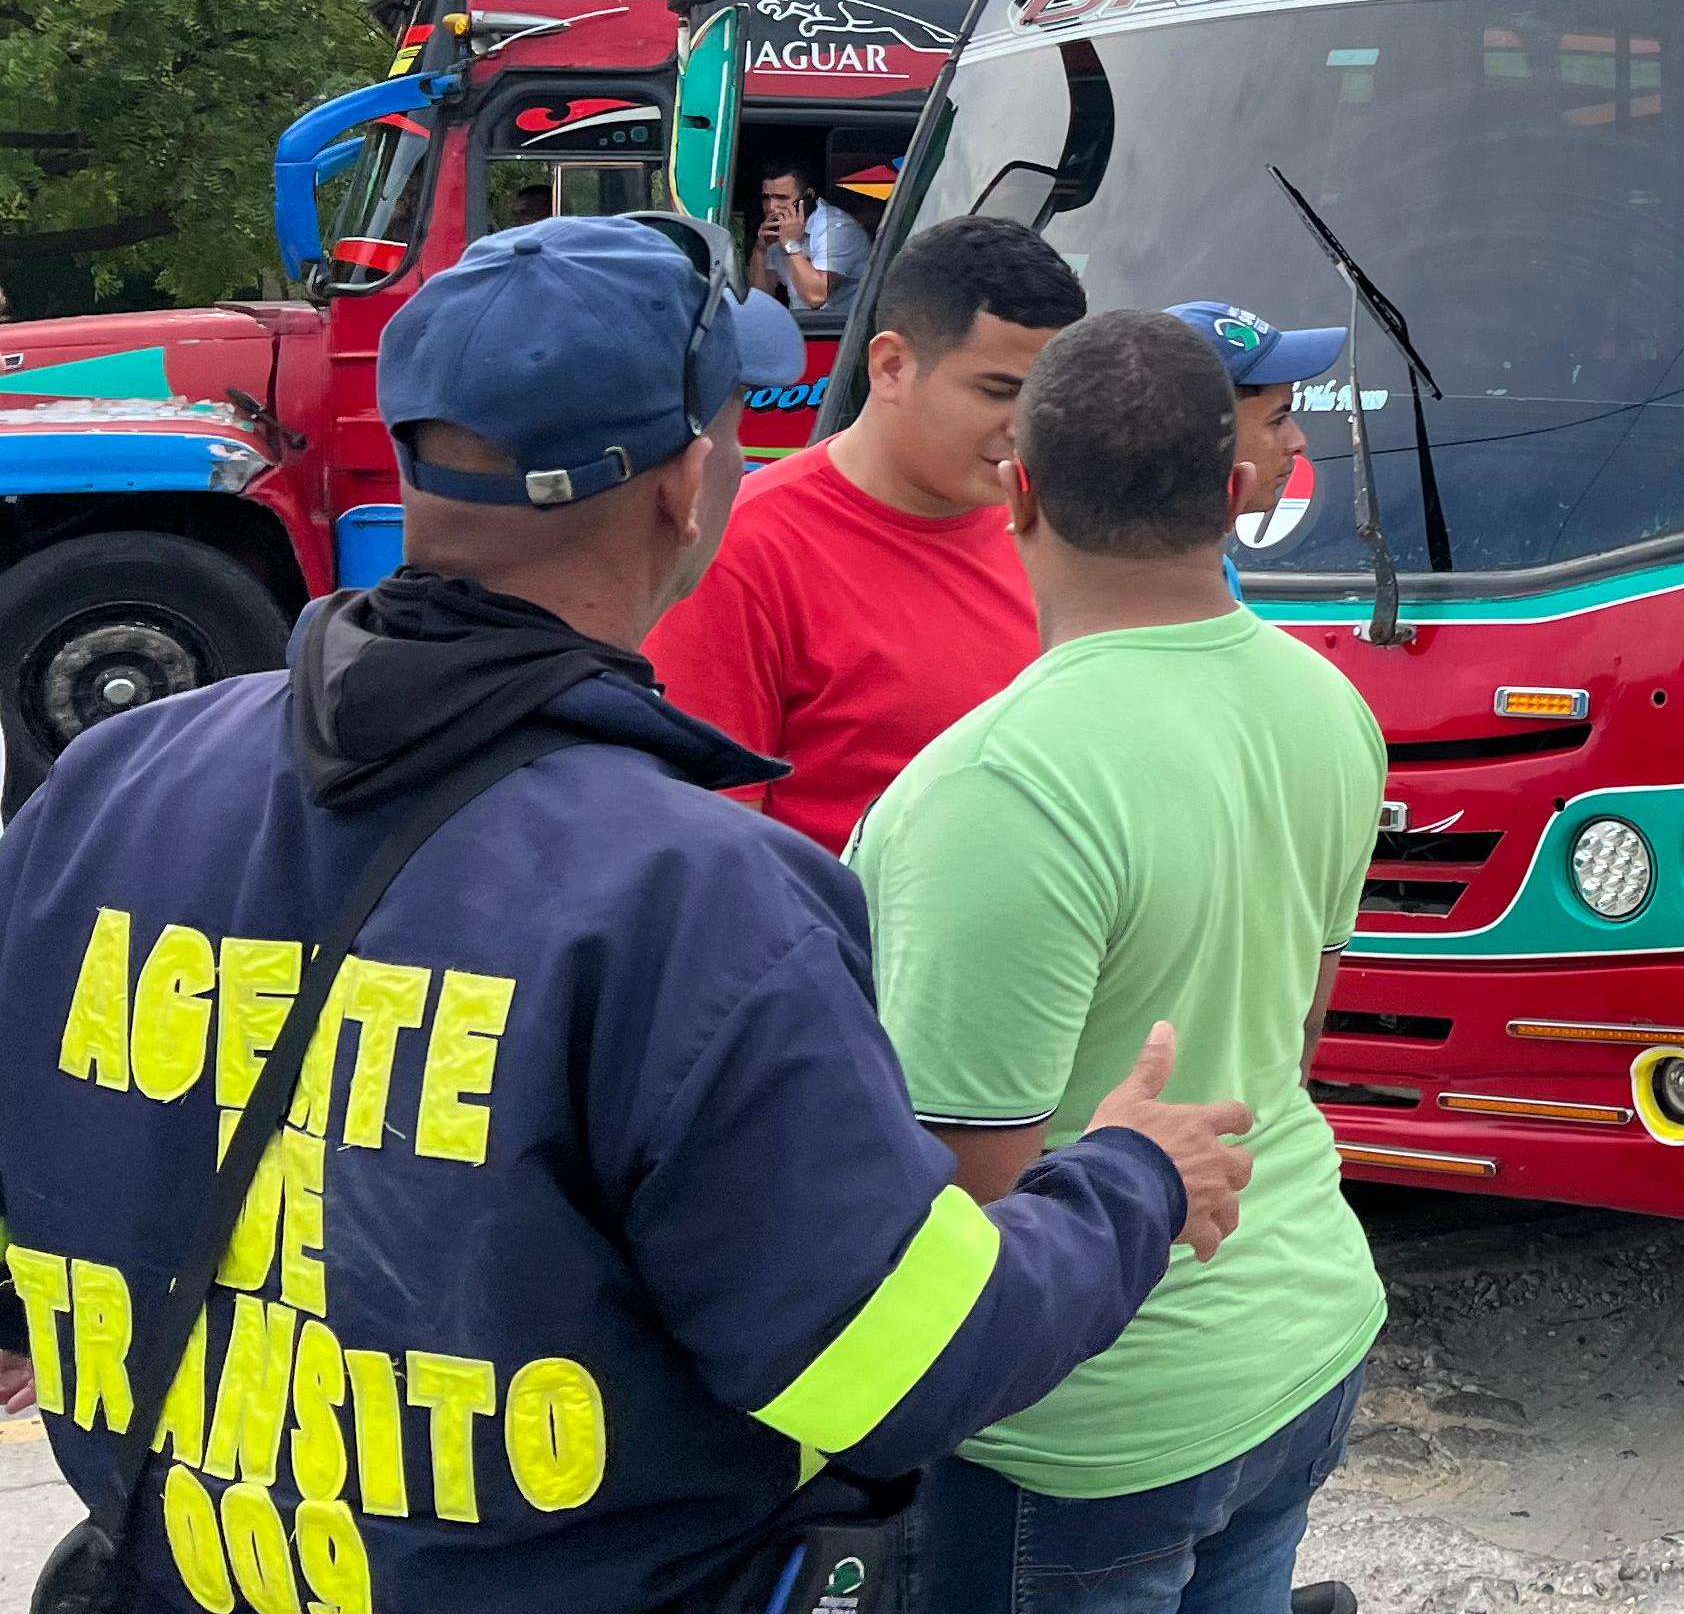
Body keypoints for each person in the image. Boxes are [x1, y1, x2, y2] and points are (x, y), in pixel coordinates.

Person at [0, 217, 1255, 1605]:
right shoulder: (701, 897)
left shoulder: (110, 783)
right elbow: (898, 1373)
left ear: (415, 456)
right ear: (689, 480)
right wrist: (1135, 1179)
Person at [853, 311, 1388, 1612]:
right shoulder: (1329, 701)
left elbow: (962, 1213)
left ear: (1018, 490)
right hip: (1301, 1324)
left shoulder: (995, 788)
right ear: (1238, 492)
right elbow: (1290, 1040)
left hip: (1087, 1424)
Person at [650, 215, 1083, 852]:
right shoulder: (742, 552)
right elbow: (707, 851)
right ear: (890, 367)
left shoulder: (1063, 527)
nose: (1028, 426)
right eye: (999, 391)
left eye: (1051, 393)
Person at [1169, 299, 1348, 578]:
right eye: (1277, 420)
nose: (1299, 441)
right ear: (1208, 436)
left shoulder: (1218, 573)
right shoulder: (1174, 594)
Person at [754, 160, 874, 314]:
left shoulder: (838, 229)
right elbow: (760, 299)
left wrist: (791, 246)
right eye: (766, 198)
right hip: (800, 327)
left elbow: (815, 297)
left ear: (807, 197)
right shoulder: (777, 231)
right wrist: (761, 250)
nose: (771, 207)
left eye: (782, 198)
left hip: (842, 331)